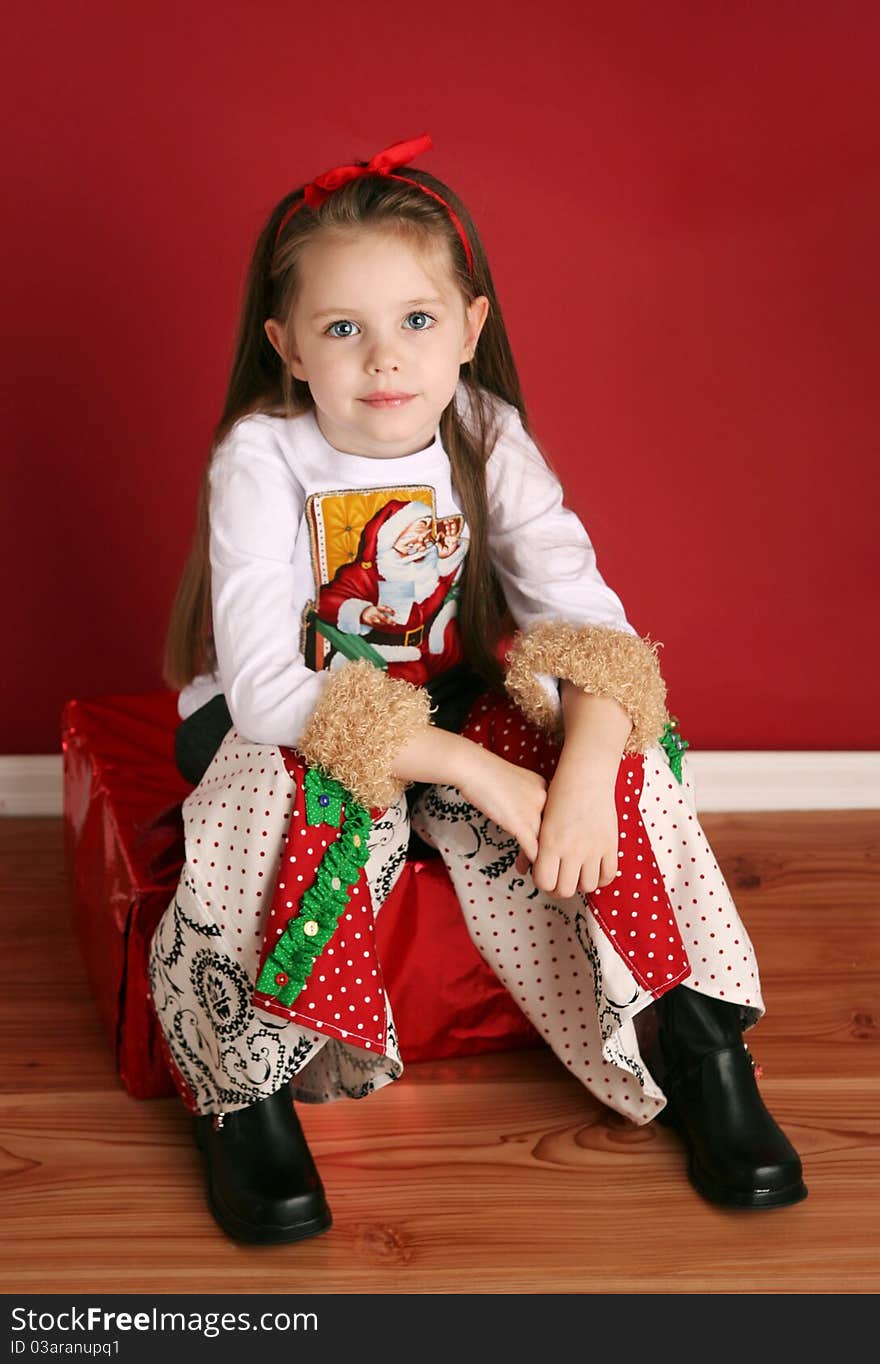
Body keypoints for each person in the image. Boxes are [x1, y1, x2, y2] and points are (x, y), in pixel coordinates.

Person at [150, 131, 807, 1246]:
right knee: (280, 781)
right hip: (285, 714)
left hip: (443, 691)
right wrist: (476, 773)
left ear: (469, 328)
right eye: (341, 329)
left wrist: (587, 769)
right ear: (288, 347)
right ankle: (243, 1086)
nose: (383, 361)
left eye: (415, 320)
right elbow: (266, 689)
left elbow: (587, 622)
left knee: (629, 748)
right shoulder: (262, 453)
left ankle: (697, 1045)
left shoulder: (483, 430)